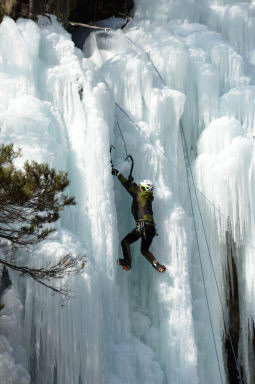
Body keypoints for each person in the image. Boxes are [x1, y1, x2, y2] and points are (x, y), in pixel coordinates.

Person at [112, 167, 166, 272]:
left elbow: (128, 186)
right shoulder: (147, 197)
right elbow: (137, 190)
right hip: (151, 228)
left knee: (125, 242)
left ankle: (128, 262)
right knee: (144, 250)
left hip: (143, 226)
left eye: (141, 187)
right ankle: (157, 265)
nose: (139, 188)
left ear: (143, 189)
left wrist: (118, 174)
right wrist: (134, 183)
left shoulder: (139, 194)